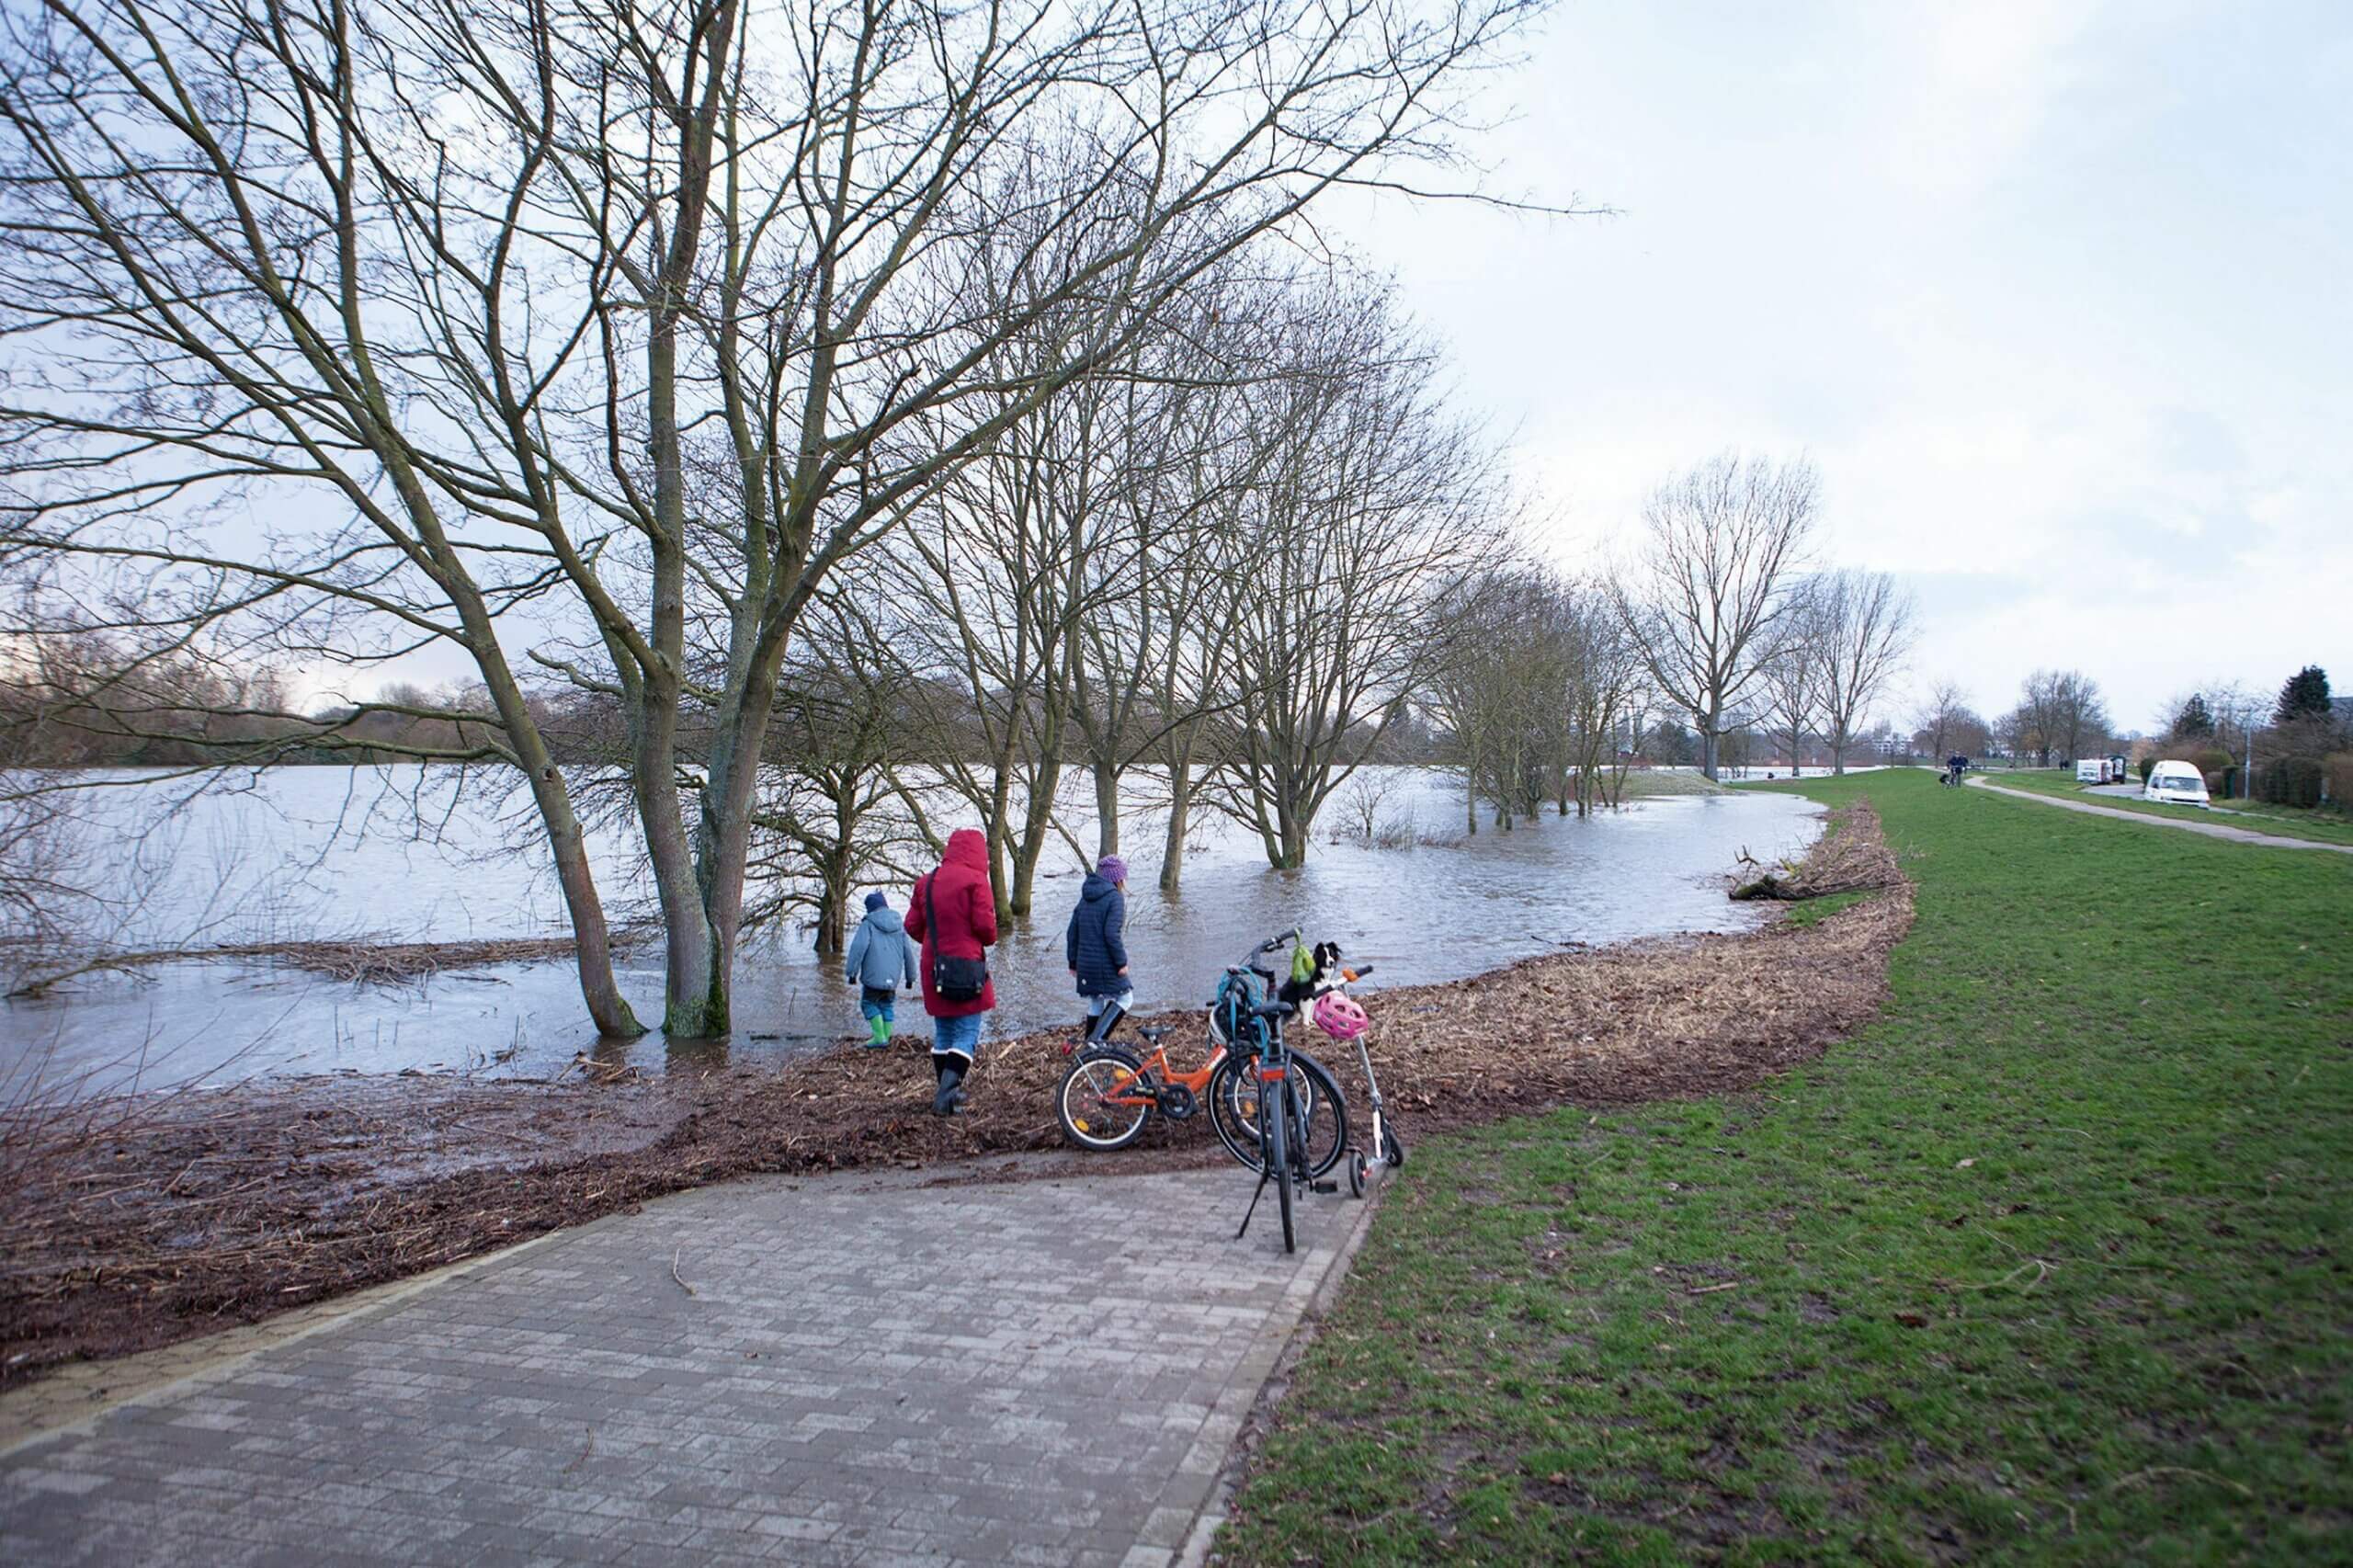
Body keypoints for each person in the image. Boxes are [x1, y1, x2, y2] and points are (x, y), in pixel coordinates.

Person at [905, 828, 998, 1115]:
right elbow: (987, 931)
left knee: (944, 1031)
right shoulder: (976, 881)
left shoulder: (926, 882)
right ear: (978, 853)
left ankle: (947, 1098)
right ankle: (945, 1096)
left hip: (933, 966)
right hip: (966, 965)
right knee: (968, 1031)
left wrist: (936, 943)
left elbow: (911, 925)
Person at [1065, 855, 1131, 1041]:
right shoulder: (1115, 898)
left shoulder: (1085, 897)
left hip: (1085, 963)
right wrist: (1121, 962)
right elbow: (1111, 934)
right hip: (1104, 964)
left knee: (1096, 1001)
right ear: (1117, 878)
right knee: (1126, 999)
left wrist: (1073, 962)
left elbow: (1072, 932)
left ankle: (1091, 1044)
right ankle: (1097, 1040)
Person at [843, 891, 918, 1049]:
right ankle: (885, 1036)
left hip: (873, 978)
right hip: (893, 979)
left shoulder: (868, 924)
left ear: (870, 908)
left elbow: (858, 948)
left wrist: (852, 973)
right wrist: (911, 977)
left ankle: (879, 1038)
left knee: (868, 1004)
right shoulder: (900, 926)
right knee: (886, 1004)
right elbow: (908, 953)